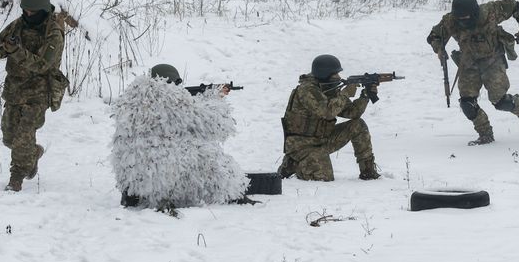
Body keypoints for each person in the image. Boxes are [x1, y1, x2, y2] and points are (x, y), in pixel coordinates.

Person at [111, 63, 250, 209]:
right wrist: (215, 98)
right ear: (172, 81)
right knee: (209, 152)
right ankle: (234, 194)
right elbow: (211, 125)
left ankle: (132, 196)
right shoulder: (170, 99)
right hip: (158, 173)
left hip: (132, 173)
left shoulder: (129, 100)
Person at [426, 0, 519, 146]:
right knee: (467, 103)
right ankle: (485, 134)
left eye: (466, 18)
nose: (463, 21)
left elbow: (516, 7)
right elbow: (434, 36)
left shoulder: (490, 11)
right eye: (460, 19)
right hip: (468, 63)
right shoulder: (451, 20)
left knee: (500, 101)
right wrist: (439, 49)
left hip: (493, 60)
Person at [0, 0, 68, 192]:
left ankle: (16, 178)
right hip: (14, 90)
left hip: (38, 93)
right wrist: (5, 48)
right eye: (26, 10)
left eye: (33, 11)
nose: (29, 14)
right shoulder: (18, 25)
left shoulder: (53, 33)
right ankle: (34, 154)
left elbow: (43, 65)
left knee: (23, 135)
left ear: (43, 10)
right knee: (9, 137)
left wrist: (16, 51)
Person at [278, 54, 380, 181]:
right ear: (323, 74)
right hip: (302, 145)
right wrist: (345, 94)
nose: (339, 77)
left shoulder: (328, 88)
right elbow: (327, 112)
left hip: (322, 140)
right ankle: (294, 163)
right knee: (325, 178)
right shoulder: (306, 90)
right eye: (335, 74)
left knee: (358, 125)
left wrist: (365, 96)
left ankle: (368, 172)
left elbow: (352, 113)